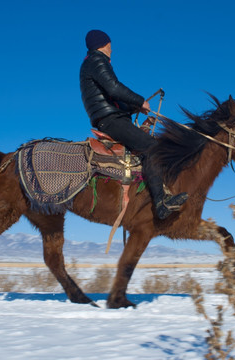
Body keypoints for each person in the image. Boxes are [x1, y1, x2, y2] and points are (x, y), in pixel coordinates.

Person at [79, 29, 188, 220]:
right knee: (152, 148)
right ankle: (161, 204)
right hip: (111, 120)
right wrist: (139, 102)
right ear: (103, 45)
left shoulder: (91, 64)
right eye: (110, 46)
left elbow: (111, 98)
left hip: (109, 118)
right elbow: (114, 88)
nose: (112, 50)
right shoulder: (97, 61)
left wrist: (133, 108)